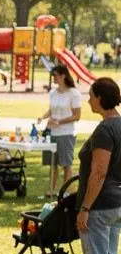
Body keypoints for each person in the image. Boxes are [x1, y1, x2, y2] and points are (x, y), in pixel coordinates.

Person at [75, 77, 121, 254]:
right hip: (117, 203)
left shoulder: (105, 130)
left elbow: (99, 172)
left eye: (91, 95)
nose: (89, 100)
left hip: (101, 206)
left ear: (101, 98)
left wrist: (85, 208)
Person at [37, 64, 81, 195]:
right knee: (53, 163)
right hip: (51, 132)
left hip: (66, 133)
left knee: (65, 163)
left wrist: (59, 121)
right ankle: (51, 190)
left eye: (55, 75)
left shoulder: (74, 94)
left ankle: (65, 191)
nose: (53, 78)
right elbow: (52, 110)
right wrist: (43, 117)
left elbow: (77, 116)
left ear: (63, 75)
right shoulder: (53, 93)